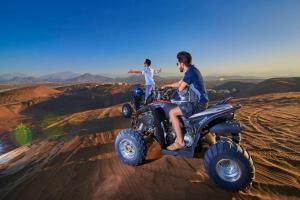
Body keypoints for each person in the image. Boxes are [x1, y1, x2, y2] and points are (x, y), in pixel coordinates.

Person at [163, 51, 209, 151]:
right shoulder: (192, 70)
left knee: (172, 113)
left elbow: (180, 88)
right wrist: (167, 86)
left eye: (177, 63)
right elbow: (180, 83)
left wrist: (172, 93)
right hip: (200, 101)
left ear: (182, 63)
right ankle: (181, 131)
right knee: (178, 109)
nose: (177, 66)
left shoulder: (190, 73)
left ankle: (180, 142)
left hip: (198, 104)